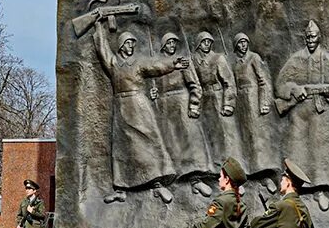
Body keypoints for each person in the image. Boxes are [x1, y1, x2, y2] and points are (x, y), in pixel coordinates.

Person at [92, 19, 184, 204]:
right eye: (127, 43)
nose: (131, 46)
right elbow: (102, 49)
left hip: (139, 105)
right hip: (121, 108)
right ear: (121, 47)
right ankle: (121, 188)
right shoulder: (114, 63)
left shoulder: (139, 62)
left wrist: (172, 64)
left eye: (132, 43)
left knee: (150, 140)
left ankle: (157, 183)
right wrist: (98, 27)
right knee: (122, 148)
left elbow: (155, 67)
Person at [275, 20, 329, 212]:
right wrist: (294, 89)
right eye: (307, 37)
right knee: (297, 149)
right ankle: (294, 190)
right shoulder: (296, 59)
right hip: (299, 113)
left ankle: (320, 190)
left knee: (320, 151)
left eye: (313, 37)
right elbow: (280, 84)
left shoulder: (327, 60)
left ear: (319, 37)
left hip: (320, 113)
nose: (310, 40)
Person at [154, 32, 212, 197]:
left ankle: (196, 179)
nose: (172, 45)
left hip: (181, 103)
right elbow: (154, 86)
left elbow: (195, 85)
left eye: (174, 43)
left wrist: (194, 105)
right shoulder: (157, 62)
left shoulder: (183, 62)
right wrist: (154, 94)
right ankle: (175, 180)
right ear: (164, 45)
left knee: (190, 141)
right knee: (170, 142)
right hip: (165, 108)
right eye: (169, 43)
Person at [193, 31, 242, 176]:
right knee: (211, 136)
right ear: (198, 44)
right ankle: (216, 170)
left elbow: (229, 82)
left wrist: (228, 103)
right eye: (203, 42)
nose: (207, 44)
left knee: (226, 135)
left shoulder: (218, 58)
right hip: (205, 101)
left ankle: (234, 171)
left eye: (209, 41)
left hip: (218, 98)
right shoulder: (194, 60)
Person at [233, 32, 278, 192]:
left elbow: (263, 81)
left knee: (257, 138)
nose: (243, 45)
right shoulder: (235, 62)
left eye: (245, 42)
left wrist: (264, 102)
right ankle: (247, 173)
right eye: (240, 43)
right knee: (244, 138)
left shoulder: (254, 58)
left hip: (253, 99)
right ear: (236, 45)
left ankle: (264, 175)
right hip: (240, 103)